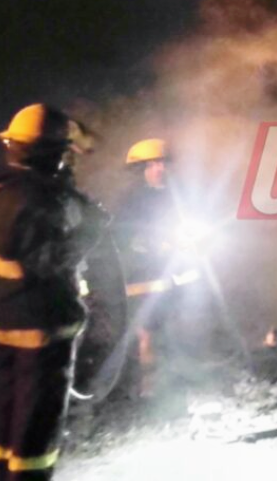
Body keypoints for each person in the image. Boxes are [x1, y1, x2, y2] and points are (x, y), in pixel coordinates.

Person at [0, 103, 107, 480]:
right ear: (53, 153)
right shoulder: (43, 200)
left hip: (3, 320)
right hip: (42, 328)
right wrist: (89, 232)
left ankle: (1, 472)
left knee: (9, 406)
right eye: (64, 152)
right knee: (39, 417)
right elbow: (48, 261)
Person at [115, 138, 179, 395]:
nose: (159, 169)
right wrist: (146, 243)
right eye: (152, 165)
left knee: (172, 326)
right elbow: (121, 235)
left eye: (162, 163)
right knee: (147, 331)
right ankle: (148, 387)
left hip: (172, 273)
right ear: (140, 170)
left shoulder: (177, 195)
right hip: (142, 276)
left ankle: (172, 380)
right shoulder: (131, 201)